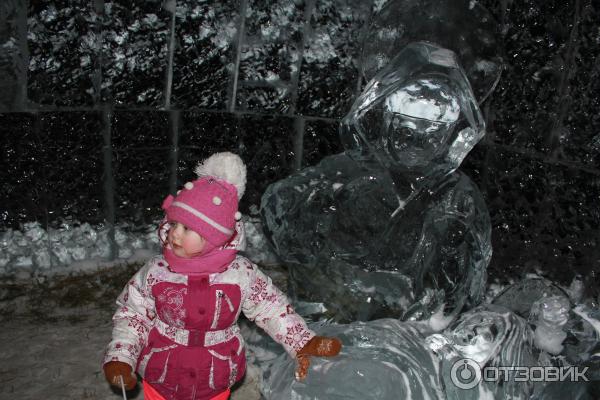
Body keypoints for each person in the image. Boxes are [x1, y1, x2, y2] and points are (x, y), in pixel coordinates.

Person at [102, 152, 342, 400]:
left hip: (215, 375)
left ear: (214, 238)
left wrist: (303, 342)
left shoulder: (239, 274)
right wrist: (120, 358)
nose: (174, 234)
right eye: (174, 224)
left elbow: (272, 308)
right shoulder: (156, 272)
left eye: (187, 228)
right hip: (163, 374)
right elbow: (133, 315)